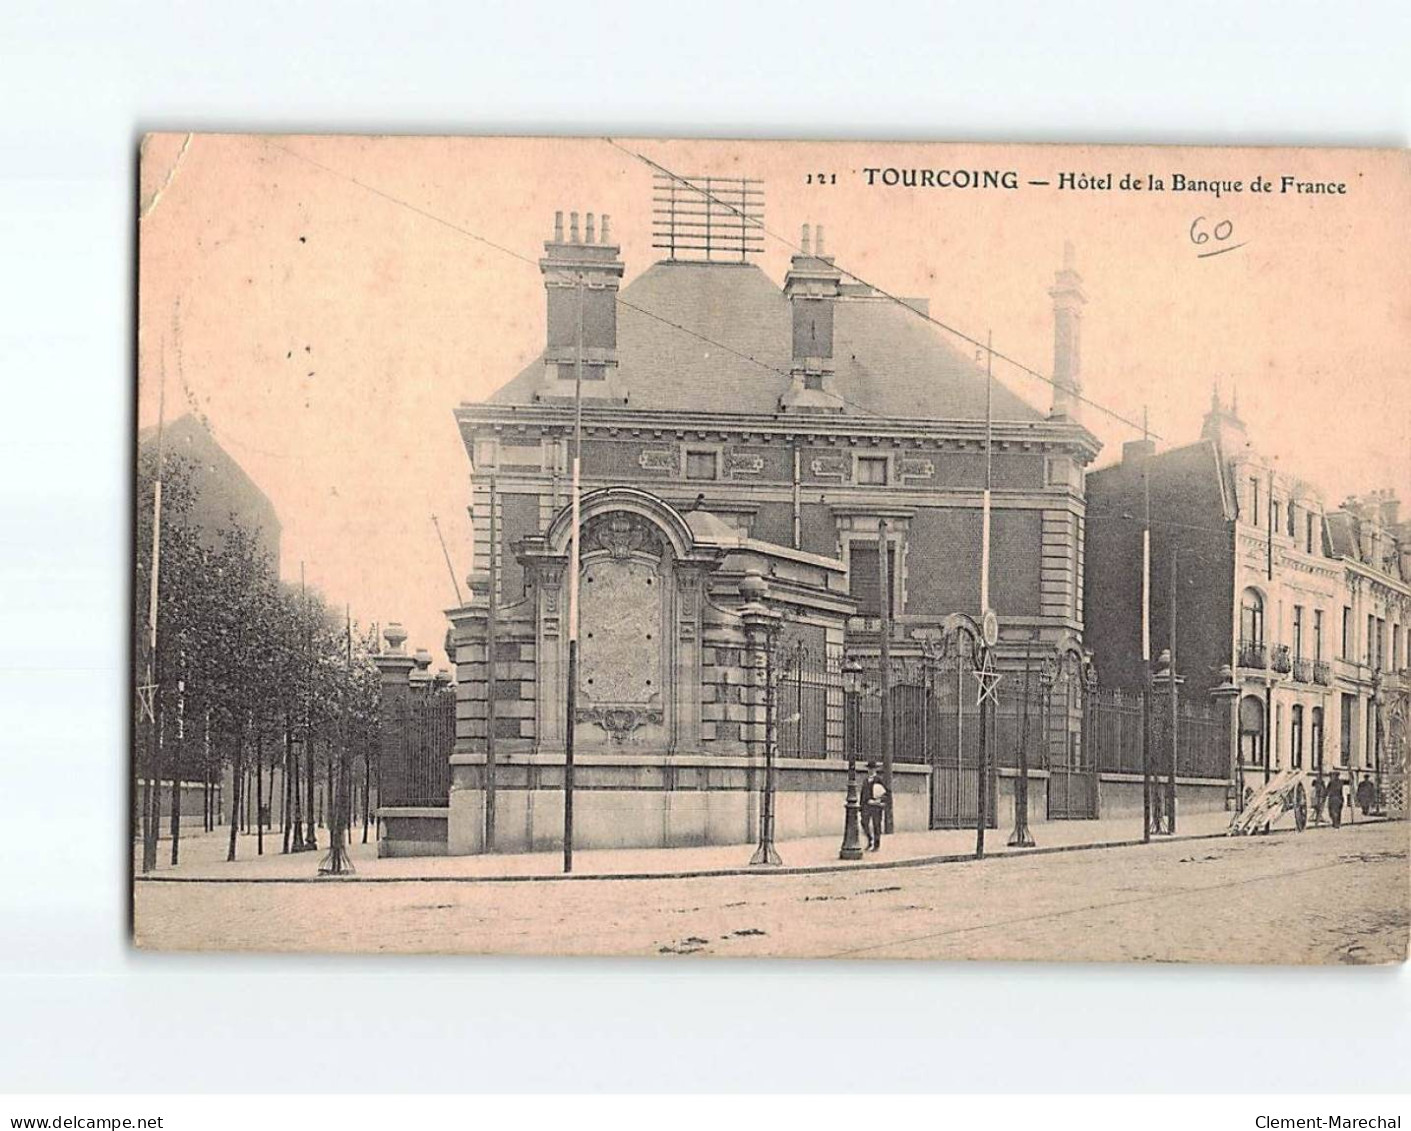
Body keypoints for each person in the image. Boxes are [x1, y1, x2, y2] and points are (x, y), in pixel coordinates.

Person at [861, 761, 888, 851]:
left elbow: (885, 793)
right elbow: (863, 794)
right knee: (864, 822)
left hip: (876, 807)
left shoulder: (878, 780)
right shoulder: (865, 780)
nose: (870, 770)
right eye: (869, 769)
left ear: (875, 769)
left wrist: (878, 801)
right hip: (867, 806)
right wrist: (861, 806)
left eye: (872, 769)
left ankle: (876, 845)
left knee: (876, 825)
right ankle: (870, 839)